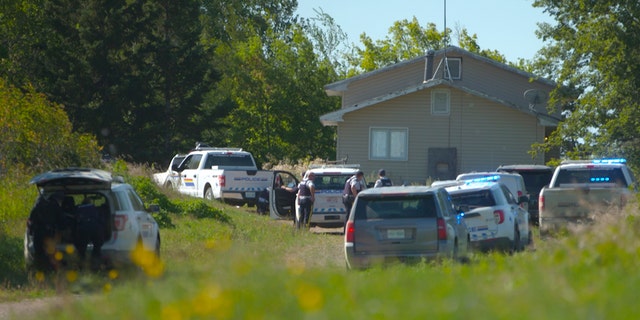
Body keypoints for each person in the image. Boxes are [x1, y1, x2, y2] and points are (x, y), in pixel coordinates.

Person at [28, 191, 65, 271]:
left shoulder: (37, 206)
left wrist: (31, 232)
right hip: (48, 233)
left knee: (39, 252)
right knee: (49, 251)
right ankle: (50, 268)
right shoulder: (55, 206)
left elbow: (30, 220)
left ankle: (40, 268)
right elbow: (61, 221)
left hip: (37, 233)